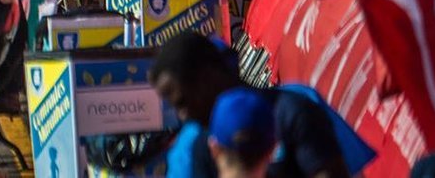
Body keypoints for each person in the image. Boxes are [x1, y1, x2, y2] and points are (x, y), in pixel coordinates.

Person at [151, 32, 354, 178]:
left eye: (183, 102)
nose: (184, 115)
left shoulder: (293, 111)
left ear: (207, 78)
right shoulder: (200, 145)